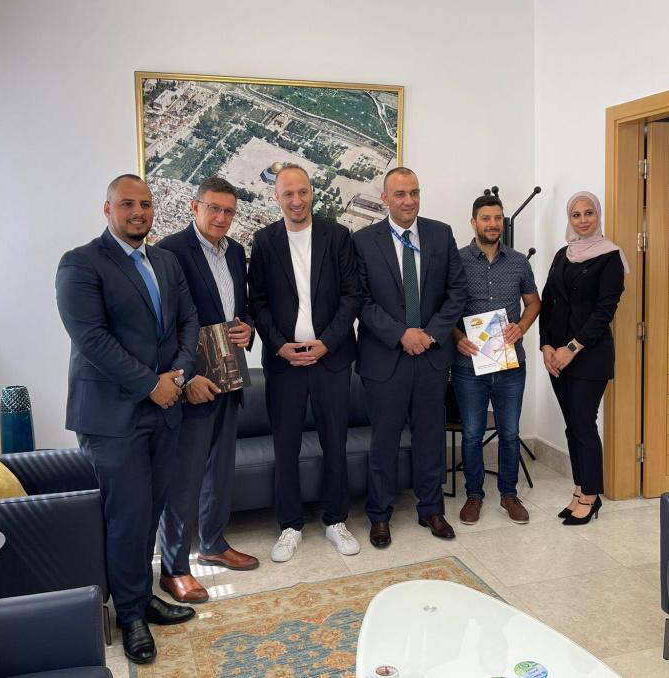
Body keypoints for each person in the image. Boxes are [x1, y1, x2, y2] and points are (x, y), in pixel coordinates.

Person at [55, 174, 200, 664]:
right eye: (127, 204)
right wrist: (151, 384)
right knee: (126, 517)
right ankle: (131, 615)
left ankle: (141, 595)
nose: (138, 212)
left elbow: (189, 322)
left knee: (150, 512)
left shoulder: (166, 261)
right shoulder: (81, 263)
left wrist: (178, 375)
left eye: (146, 204)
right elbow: (92, 340)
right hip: (112, 416)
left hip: (165, 409)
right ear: (107, 209)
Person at [248, 165, 361, 562]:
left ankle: (336, 520)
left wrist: (327, 343)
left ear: (311, 192)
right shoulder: (264, 241)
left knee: (335, 442)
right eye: (288, 194)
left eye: (302, 192)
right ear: (276, 198)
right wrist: (280, 346)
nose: (296, 200)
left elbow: (352, 296)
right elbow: (257, 302)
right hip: (285, 363)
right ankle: (290, 525)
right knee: (286, 445)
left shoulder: (338, 236)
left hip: (331, 358)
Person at [156, 177, 259, 604]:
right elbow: (164, 325)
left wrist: (248, 328)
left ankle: (214, 544)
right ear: (195, 207)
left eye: (228, 211)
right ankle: (174, 568)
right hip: (193, 382)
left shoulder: (234, 251)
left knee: (220, 470)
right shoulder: (170, 251)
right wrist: (184, 378)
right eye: (213, 208)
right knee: (184, 478)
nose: (221, 217)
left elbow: (240, 308)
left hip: (230, 374)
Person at [353, 167, 468, 548]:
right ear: (385, 198)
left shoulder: (441, 234)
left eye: (414, 192)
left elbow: (457, 292)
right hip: (385, 359)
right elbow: (361, 301)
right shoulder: (363, 241)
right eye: (400, 194)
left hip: (431, 357)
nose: (409, 201)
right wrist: (401, 334)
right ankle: (379, 515)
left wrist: (430, 335)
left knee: (431, 438)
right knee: (384, 441)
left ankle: (431, 509)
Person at [539, 190, 628, 526]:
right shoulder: (563, 254)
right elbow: (548, 302)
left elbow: (604, 311)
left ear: (597, 215)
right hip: (557, 357)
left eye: (589, 213)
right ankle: (579, 489)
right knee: (572, 425)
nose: (583, 220)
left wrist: (571, 348)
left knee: (583, 423)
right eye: (576, 215)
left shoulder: (610, 256)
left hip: (589, 356)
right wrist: (547, 346)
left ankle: (591, 495)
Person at [452, 194, 540, 525]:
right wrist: (457, 338)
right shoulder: (456, 261)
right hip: (468, 367)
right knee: (472, 434)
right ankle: (474, 495)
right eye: (486, 218)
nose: (493, 224)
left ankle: (509, 495)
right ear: (473, 222)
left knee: (510, 433)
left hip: (511, 365)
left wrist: (521, 326)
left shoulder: (518, 262)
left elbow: (534, 302)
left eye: (498, 218)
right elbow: (443, 309)